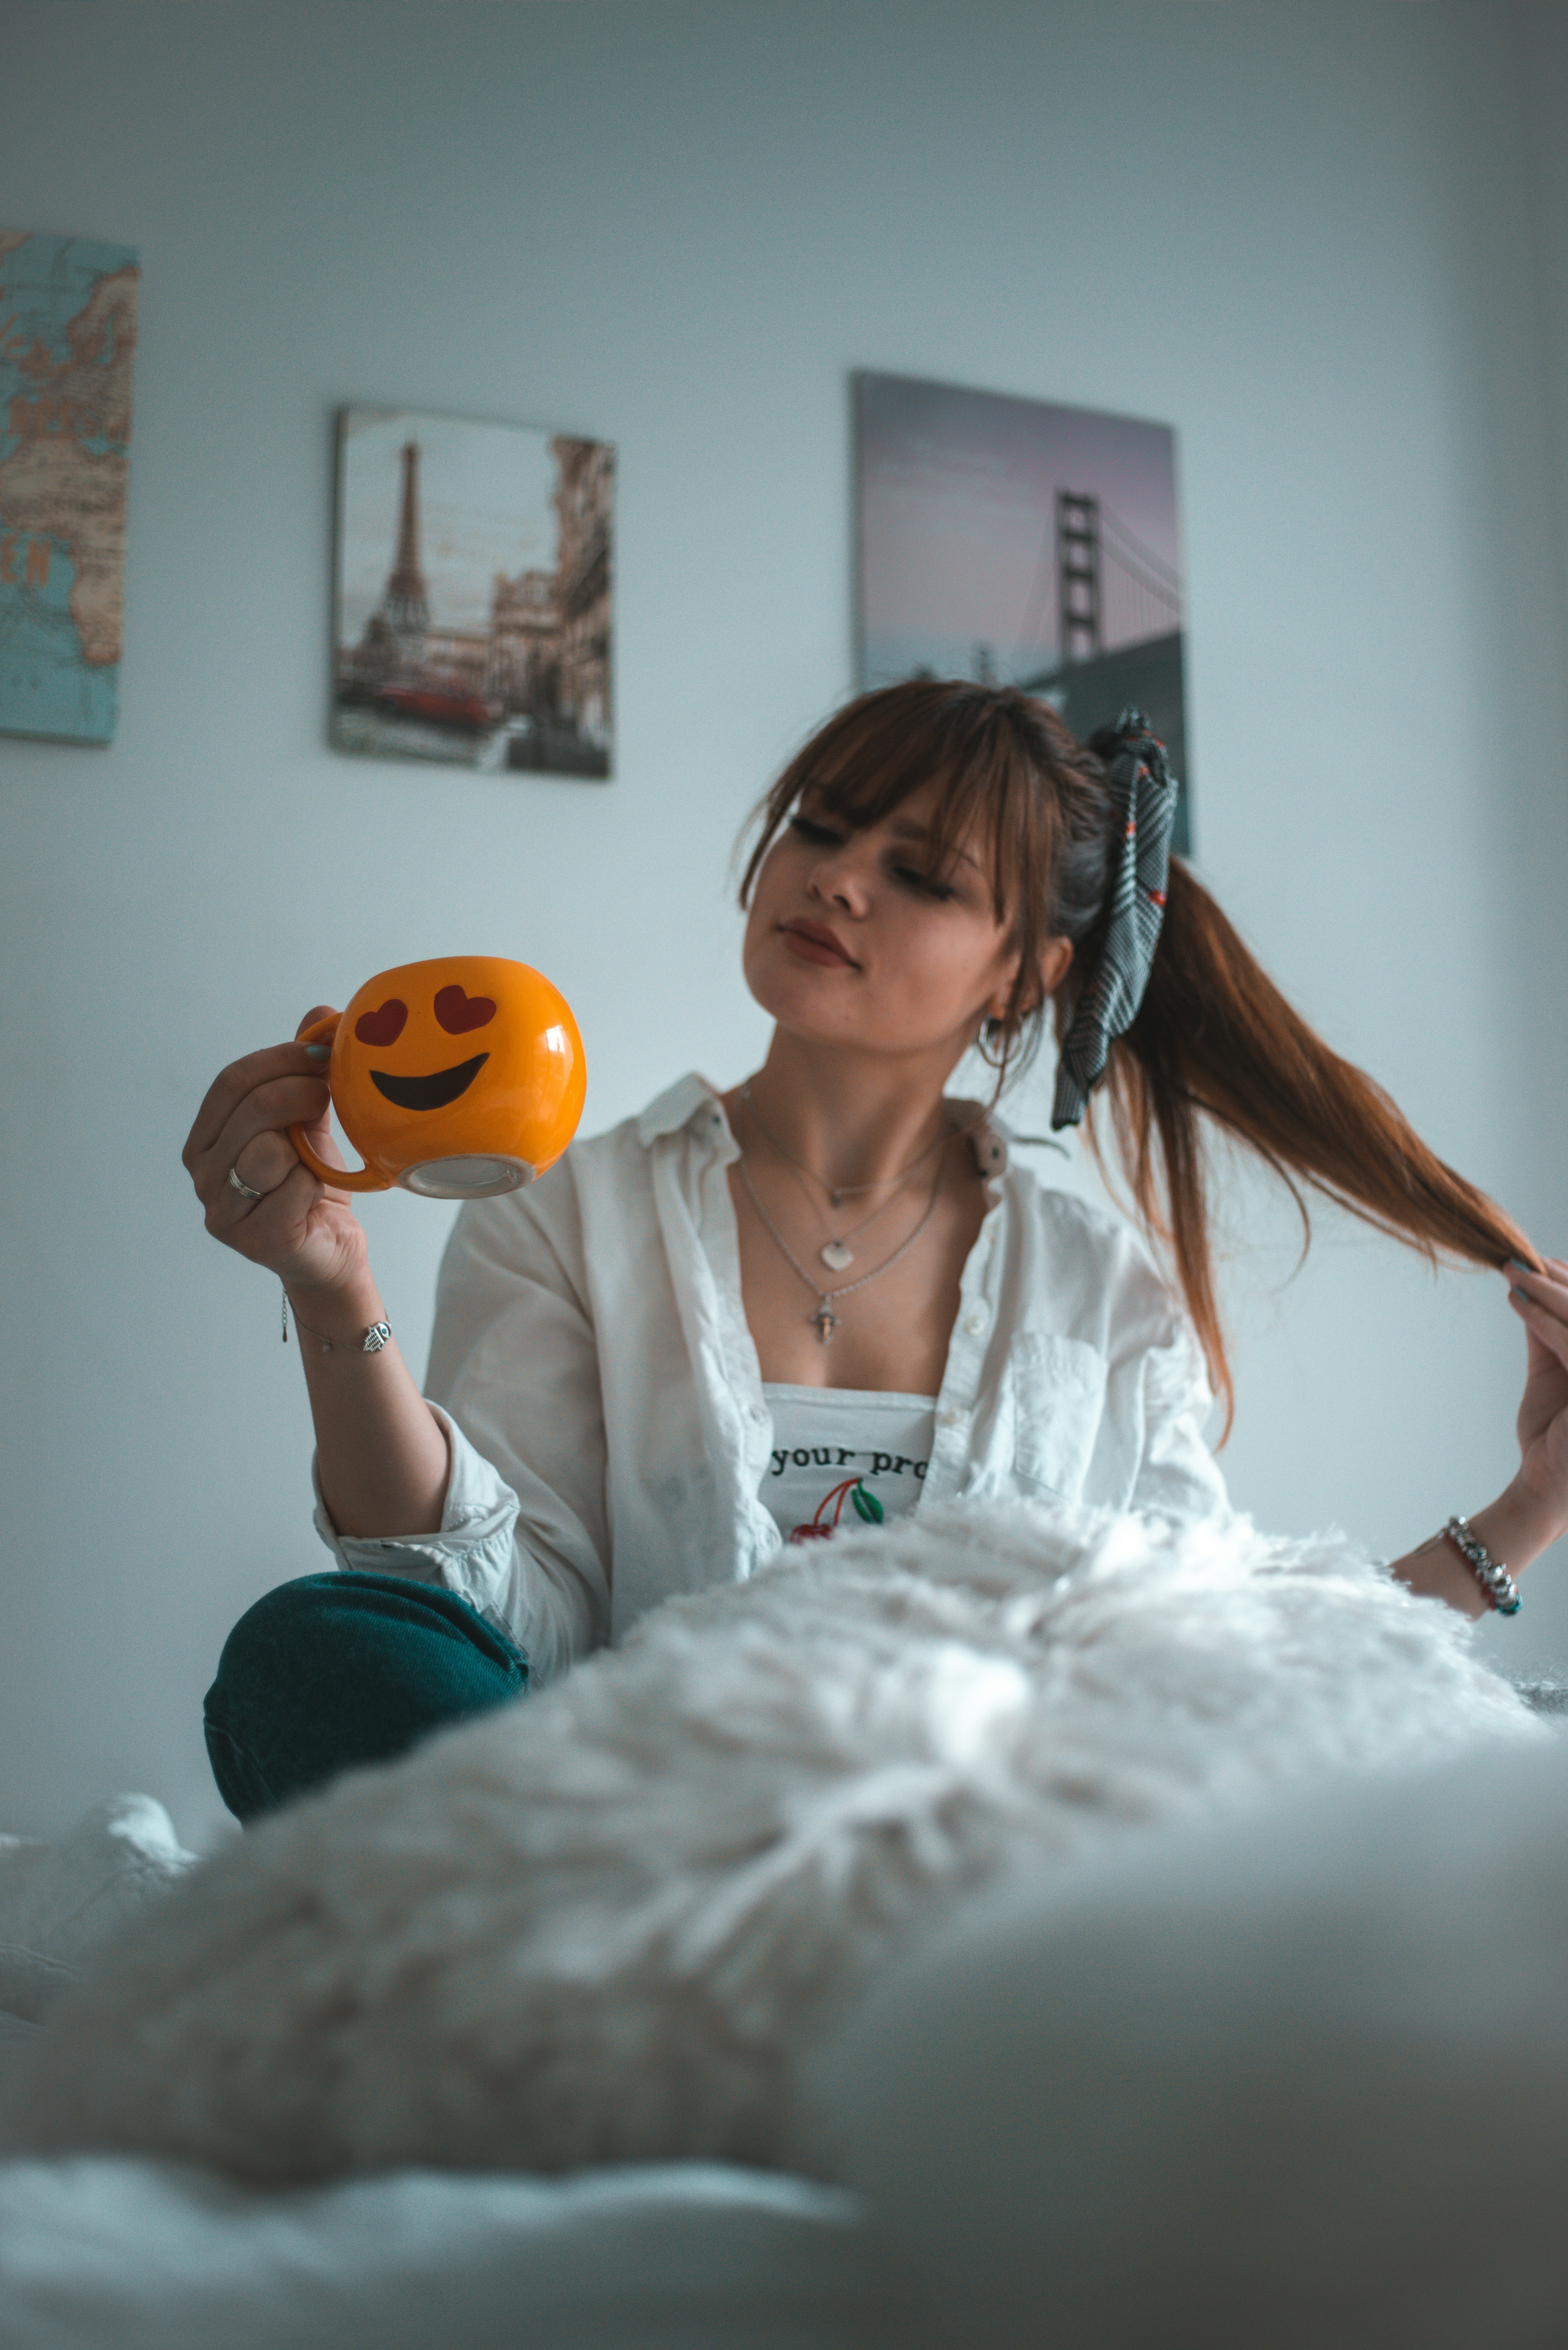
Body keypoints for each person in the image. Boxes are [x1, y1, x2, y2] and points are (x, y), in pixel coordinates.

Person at [183, 684, 1568, 1819]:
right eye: (821, 828)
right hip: (627, 1844)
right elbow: (509, 1627)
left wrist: (1530, 1508)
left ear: (1025, 973)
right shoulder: (565, 1210)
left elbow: (1226, 1671)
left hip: (976, 1887)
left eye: (918, 875)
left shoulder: (1096, 1294)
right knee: (320, 1660)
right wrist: (332, 1286)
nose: (835, 879)